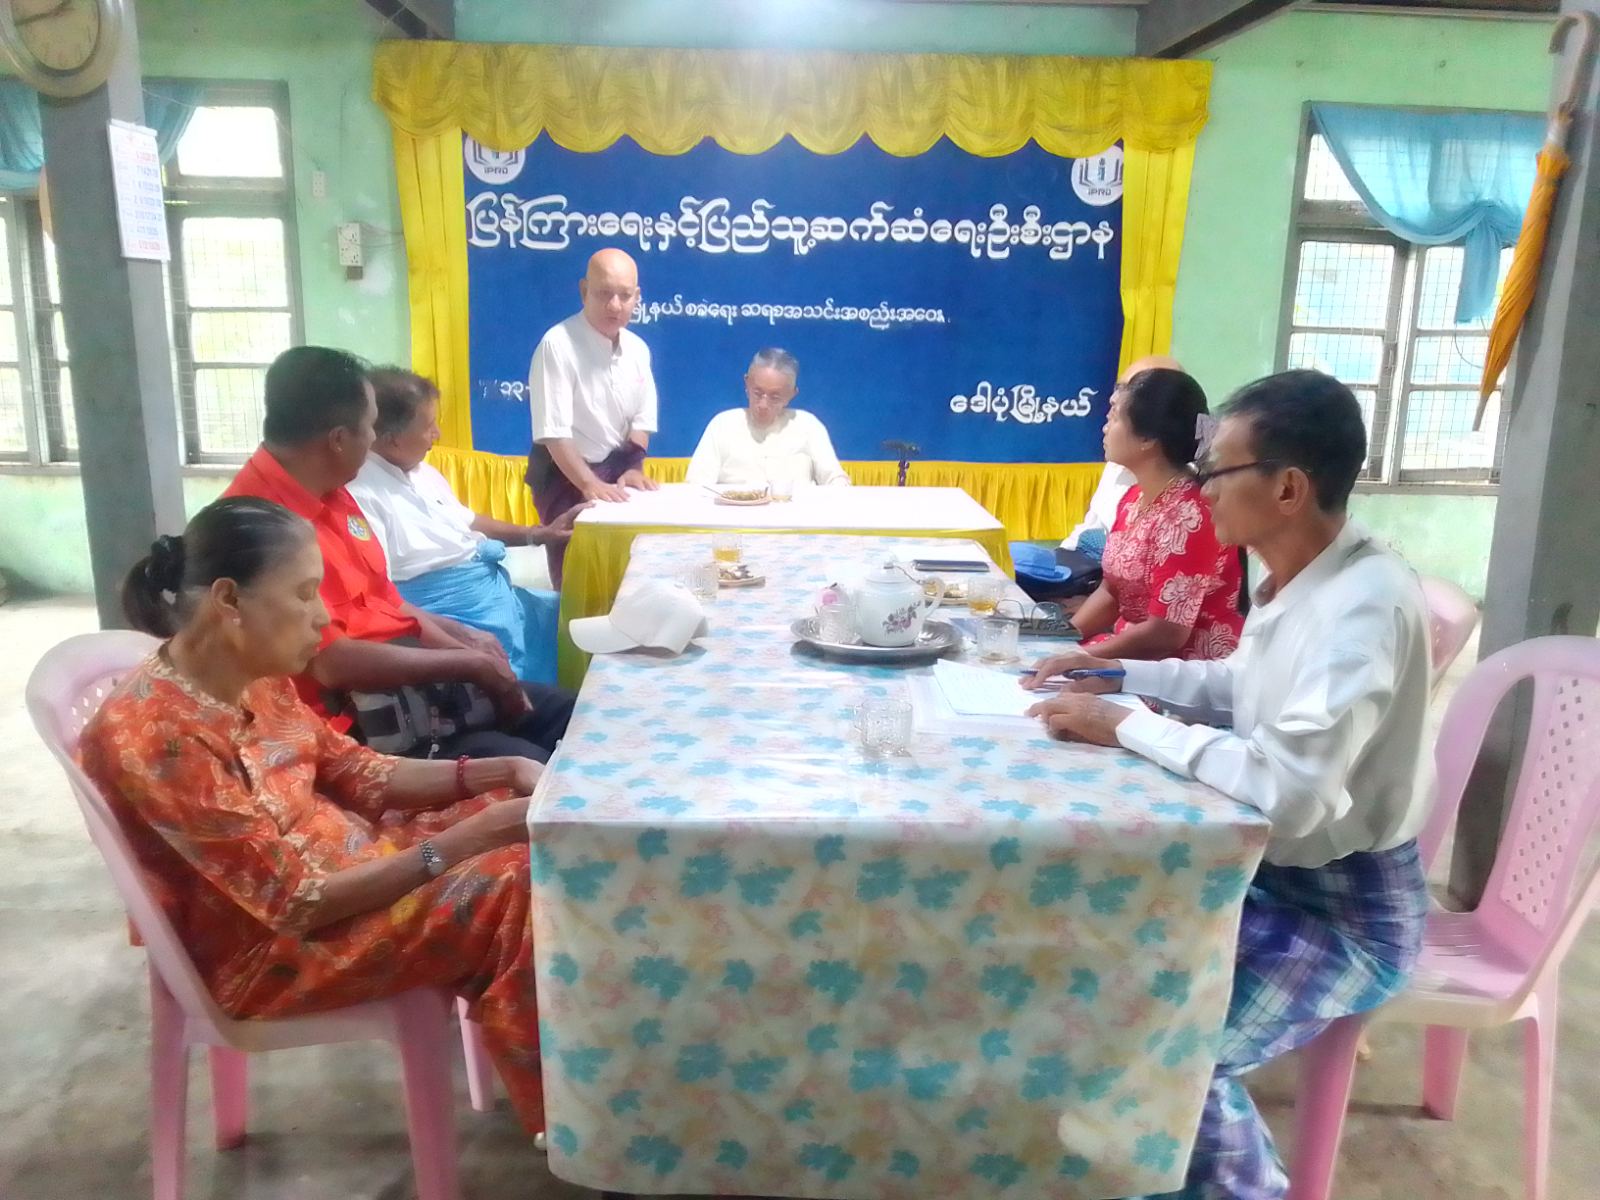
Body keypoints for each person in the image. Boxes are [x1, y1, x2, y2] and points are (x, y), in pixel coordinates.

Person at [1023, 369, 1433, 1200]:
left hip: (1343, 916)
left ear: (1287, 488)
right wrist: (1119, 676)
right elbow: (1239, 684)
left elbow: (1290, 793)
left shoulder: (1362, 607)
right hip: (1268, 876)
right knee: (1103, 971)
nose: (1202, 487)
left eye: (1219, 471)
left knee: (1164, 1052)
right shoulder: (1299, 575)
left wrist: (1127, 725)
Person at [79, 497, 549, 1134]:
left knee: (531, 828)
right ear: (228, 600)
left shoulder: (250, 670)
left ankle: (574, 1077)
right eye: (303, 595)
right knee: (520, 879)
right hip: (270, 951)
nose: (323, 616)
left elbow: (359, 771)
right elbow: (296, 902)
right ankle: (577, 1117)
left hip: (348, 863)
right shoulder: (159, 738)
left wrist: (503, 773)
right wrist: (466, 841)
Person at [224, 345, 574, 760]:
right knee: (534, 765)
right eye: (370, 428)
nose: (375, 440)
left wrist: (462, 641)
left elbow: (387, 601)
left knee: (573, 716)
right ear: (339, 439)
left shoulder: (332, 488)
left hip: (413, 686)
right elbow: (332, 663)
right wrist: (468, 664)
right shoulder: (257, 527)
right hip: (355, 726)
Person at [348, 367, 584, 682]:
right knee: (525, 680)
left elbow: (467, 520)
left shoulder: (421, 471)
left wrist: (539, 534)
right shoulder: (361, 496)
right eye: (429, 426)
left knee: (577, 619)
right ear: (393, 441)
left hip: (491, 592)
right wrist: (459, 640)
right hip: (452, 613)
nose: (437, 434)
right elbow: (383, 599)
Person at [1067, 366, 1246, 661]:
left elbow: (1167, 634)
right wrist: (1061, 638)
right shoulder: (1133, 498)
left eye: (1114, 418)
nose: (1105, 428)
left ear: (1147, 439)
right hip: (1132, 654)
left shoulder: (1190, 514)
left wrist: (1086, 657)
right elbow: (1112, 592)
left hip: (1184, 668)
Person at [526, 247, 660, 586]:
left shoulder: (638, 348)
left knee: (627, 574)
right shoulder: (557, 345)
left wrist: (632, 468)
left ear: (637, 297)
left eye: (625, 296)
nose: (615, 305)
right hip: (565, 477)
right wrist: (589, 484)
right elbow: (553, 432)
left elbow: (642, 419)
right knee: (578, 578)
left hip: (617, 475)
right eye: (604, 294)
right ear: (584, 290)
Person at [1059, 354, 1184, 561]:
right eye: (1119, 388)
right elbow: (1083, 537)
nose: (1114, 399)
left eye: (1131, 389)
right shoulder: (1119, 466)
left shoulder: (1185, 506)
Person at [683, 348, 850, 489]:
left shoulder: (808, 426)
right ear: (747, 384)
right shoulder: (723, 425)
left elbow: (835, 480)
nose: (763, 404)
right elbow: (696, 484)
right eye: (758, 393)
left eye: (775, 397)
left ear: (791, 395)